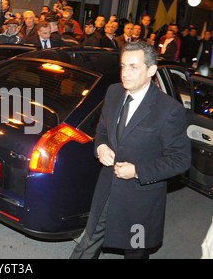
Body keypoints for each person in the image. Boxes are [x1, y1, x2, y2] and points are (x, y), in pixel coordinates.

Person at [70, 41, 191, 259]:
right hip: (107, 189)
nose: (125, 73)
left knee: (135, 251)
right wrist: (101, 146)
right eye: (123, 66)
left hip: (140, 200)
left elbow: (180, 160)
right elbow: (102, 129)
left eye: (133, 67)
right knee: (87, 243)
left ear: (151, 70)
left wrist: (137, 171)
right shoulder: (114, 92)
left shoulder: (169, 110)